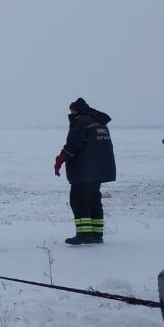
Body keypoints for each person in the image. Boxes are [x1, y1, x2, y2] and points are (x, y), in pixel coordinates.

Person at [53, 97, 117, 245]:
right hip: (99, 170)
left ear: (77, 110)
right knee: (94, 201)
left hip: (85, 171)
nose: (71, 113)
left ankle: (83, 235)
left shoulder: (81, 122)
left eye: (72, 110)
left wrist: (61, 158)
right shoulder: (99, 123)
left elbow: (73, 143)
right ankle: (96, 234)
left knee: (78, 201)